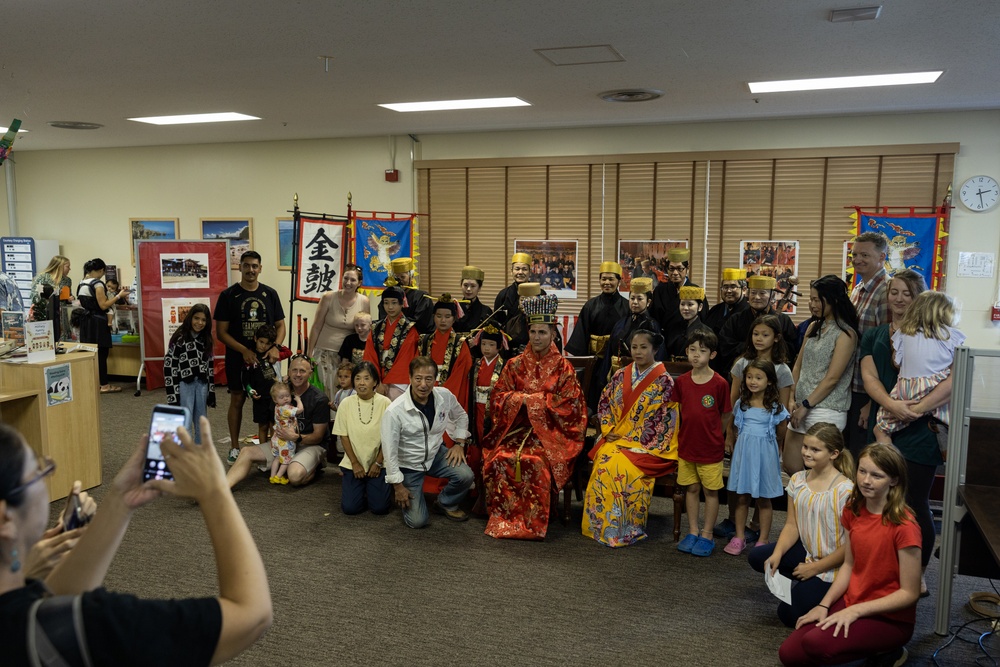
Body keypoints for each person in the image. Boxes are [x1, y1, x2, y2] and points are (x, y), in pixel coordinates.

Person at [0, 421, 272, 666]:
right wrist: (215, 492)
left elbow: (52, 606)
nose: (44, 478)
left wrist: (121, 500)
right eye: (38, 472)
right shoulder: (95, 624)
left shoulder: (34, 619)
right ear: (5, 518)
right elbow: (252, 615)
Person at [778, 444, 921, 667]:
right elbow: (849, 565)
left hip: (889, 617)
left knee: (816, 645)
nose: (866, 480)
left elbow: (910, 593)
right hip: (853, 601)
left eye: (877, 475)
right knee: (789, 654)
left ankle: (888, 651)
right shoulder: (853, 509)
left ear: (893, 480)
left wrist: (856, 611)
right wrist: (824, 605)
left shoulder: (905, 525)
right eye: (862, 471)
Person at [860, 269, 944, 597]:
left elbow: (949, 379)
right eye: (893, 292)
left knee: (914, 502)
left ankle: (917, 573)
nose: (898, 298)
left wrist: (913, 409)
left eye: (906, 293)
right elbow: (870, 377)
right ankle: (883, 567)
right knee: (879, 501)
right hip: (884, 422)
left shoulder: (935, 334)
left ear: (918, 296)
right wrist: (890, 408)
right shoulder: (876, 334)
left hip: (922, 426)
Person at [483, 295, 587, 540]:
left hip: (551, 435)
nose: (537, 337)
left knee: (536, 462)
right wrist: (520, 400)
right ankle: (504, 519)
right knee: (499, 458)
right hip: (516, 429)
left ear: (553, 334)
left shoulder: (564, 368)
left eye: (543, 332)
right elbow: (498, 397)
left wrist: (537, 402)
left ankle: (535, 522)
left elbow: (572, 406)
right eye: (533, 332)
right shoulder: (514, 364)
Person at [748, 423, 855, 628]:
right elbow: (791, 525)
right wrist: (778, 553)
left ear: (833, 454)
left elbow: (852, 547)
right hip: (808, 550)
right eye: (805, 447)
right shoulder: (797, 480)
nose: (806, 453)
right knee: (759, 557)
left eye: (815, 449)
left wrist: (815, 568)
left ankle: (831, 594)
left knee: (787, 614)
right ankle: (807, 584)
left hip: (835, 563)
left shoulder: (846, 491)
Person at [583, 329, 678, 547]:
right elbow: (605, 404)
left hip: (646, 445)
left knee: (620, 468)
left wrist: (632, 438)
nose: (638, 352)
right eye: (634, 347)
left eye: (644, 347)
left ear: (655, 349)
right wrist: (607, 429)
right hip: (616, 438)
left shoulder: (665, 382)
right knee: (604, 464)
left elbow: (664, 419)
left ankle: (625, 528)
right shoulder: (620, 374)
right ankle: (601, 526)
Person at [717, 314, 794, 542]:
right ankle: (734, 521)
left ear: (777, 338)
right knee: (738, 480)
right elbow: (733, 402)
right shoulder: (741, 363)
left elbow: (781, 413)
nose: (759, 339)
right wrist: (729, 433)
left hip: (766, 438)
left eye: (765, 334)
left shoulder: (782, 370)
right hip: (744, 431)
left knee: (763, 486)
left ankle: (758, 526)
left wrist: (778, 441)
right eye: (755, 334)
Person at [380, 356, 474, 528]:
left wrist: (459, 443)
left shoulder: (444, 396)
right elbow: (389, 450)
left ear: (435, 380)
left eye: (429, 379)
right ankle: (401, 493)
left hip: (436, 454)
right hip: (409, 465)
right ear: (409, 378)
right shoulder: (395, 411)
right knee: (417, 521)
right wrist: (398, 486)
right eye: (418, 378)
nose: (423, 384)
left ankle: (445, 502)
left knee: (466, 475)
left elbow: (461, 416)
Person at [214, 251, 286, 462]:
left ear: (260, 268)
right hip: (238, 358)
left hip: (267, 361)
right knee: (237, 399)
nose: (251, 270)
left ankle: (272, 448)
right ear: (240, 268)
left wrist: (276, 348)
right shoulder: (228, 296)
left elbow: (280, 325)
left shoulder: (270, 294)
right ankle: (235, 447)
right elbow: (221, 332)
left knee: (270, 401)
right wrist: (244, 350)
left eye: (255, 266)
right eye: (247, 266)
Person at [784, 275, 859, 474]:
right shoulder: (812, 327)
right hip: (801, 404)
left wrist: (807, 405)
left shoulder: (846, 333)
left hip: (826, 408)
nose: (812, 304)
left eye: (817, 300)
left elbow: (833, 378)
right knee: (791, 466)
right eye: (811, 299)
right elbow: (798, 365)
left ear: (833, 300)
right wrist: (792, 398)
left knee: (819, 471)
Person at [873, 290, 964, 452]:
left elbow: (897, 362)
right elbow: (958, 364)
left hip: (907, 391)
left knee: (881, 428)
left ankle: (887, 454)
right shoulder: (952, 335)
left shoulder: (904, 333)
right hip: (935, 387)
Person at [227, 355, 331, 489]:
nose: (298, 374)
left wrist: (296, 438)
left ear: (310, 373)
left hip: (309, 444)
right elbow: (273, 422)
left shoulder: (319, 399)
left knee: (294, 476)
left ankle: (314, 465)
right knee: (246, 451)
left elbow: (318, 436)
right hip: (284, 443)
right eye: (294, 370)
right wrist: (276, 444)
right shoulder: (280, 392)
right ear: (288, 372)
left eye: (302, 371)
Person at [673, 330, 731, 557]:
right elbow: (678, 411)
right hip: (687, 446)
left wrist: (718, 435)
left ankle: (707, 533)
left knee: (710, 491)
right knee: (692, 488)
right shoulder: (682, 381)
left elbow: (725, 415)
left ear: (713, 354)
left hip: (710, 448)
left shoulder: (720, 383)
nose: (696, 355)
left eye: (702, 351)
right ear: (687, 352)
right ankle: (693, 531)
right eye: (692, 350)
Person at [725, 359, 789, 555]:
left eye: (758, 378)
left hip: (765, 457)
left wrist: (770, 445)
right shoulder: (741, 404)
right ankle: (739, 537)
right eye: (750, 377)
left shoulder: (775, 408)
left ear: (769, 381)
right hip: (745, 457)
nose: (753, 381)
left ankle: (763, 539)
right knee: (742, 497)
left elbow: (782, 430)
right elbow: (736, 426)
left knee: (764, 499)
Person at [846, 232, 890, 459]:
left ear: (882, 257)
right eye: (854, 254)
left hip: (869, 391)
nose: (857, 259)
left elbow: (887, 353)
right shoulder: (858, 288)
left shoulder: (886, 292)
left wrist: (872, 403)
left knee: (862, 456)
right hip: (852, 385)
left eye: (865, 254)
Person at [332, 361, 393, 515]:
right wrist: (355, 463)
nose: (361, 383)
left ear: (375, 382)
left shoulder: (385, 403)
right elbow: (343, 435)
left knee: (380, 509)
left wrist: (378, 463)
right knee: (350, 509)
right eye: (358, 378)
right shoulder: (346, 403)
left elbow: (390, 437)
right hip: (353, 464)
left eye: (366, 378)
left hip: (378, 464)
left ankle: (374, 490)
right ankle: (363, 490)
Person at [307, 263, 370, 398]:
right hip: (324, 352)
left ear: (359, 283)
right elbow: (316, 326)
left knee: (344, 394)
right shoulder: (328, 297)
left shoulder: (364, 301)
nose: (348, 283)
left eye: (353, 280)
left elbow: (366, 330)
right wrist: (309, 354)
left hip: (348, 356)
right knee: (323, 393)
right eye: (345, 278)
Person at [718, 274, 800, 376]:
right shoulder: (736, 319)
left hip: (773, 375)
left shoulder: (783, 320)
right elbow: (725, 345)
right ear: (748, 294)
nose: (757, 297)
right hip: (743, 373)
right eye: (753, 292)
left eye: (762, 293)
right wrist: (750, 348)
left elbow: (792, 348)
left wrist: (772, 350)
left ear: (772, 295)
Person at [467, 325, 508, 514]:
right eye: (484, 344)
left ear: (499, 347)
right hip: (476, 407)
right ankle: (476, 490)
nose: (487, 348)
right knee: (475, 448)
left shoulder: (505, 365)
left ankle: (491, 492)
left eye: (491, 345)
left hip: (494, 412)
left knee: (490, 447)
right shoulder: (475, 364)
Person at [163, 303, 216, 444]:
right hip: (184, 384)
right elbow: (169, 366)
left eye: (203, 320)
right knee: (185, 421)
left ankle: (199, 455)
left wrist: (211, 393)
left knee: (201, 421)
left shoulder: (207, 339)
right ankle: (185, 457)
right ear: (190, 318)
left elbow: (209, 367)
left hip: (202, 385)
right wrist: (173, 395)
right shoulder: (179, 338)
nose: (199, 323)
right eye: (196, 318)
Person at [597, 276, 662, 388]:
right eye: (632, 298)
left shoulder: (652, 325)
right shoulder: (621, 323)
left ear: (648, 301)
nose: (635, 302)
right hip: (617, 375)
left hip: (640, 376)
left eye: (640, 299)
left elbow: (657, 355)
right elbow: (609, 352)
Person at [77, 258, 130, 394]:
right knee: (101, 354)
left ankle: (92, 383)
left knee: (90, 353)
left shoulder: (82, 282)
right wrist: (118, 296)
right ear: (101, 270)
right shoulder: (98, 284)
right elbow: (103, 305)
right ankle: (104, 385)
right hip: (98, 322)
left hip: (86, 322)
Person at [241, 324, 292, 458]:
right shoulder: (251, 358)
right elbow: (245, 380)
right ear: (255, 338)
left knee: (274, 425)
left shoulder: (274, 355)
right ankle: (263, 454)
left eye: (267, 343)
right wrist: (250, 391)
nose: (263, 346)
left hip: (275, 399)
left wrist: (276, 347)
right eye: (261, 342)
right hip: (260, 398)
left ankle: (275, 452)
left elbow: (289, 352)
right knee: (262, 426)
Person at [364, 284, 419, 400]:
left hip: (398, 382)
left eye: (394, 303)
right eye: (386, 302)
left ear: (401, 304)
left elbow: (406, 359)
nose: (390, 307)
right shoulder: (375, 328)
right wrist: (377, 381)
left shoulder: (409, 329)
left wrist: (387, 382)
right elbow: (370, 356)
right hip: (377, 380)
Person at [565, 260, 629, 358]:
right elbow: (581, 335)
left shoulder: (627, 306)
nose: (607, 282)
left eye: (611, 279)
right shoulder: (590, 306)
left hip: (618, 359)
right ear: (599, 281)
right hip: (594, 359)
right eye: (603, 279)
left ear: (619, 282)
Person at [650, 247, 708, 341]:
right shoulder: (660, 290)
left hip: (687, 341)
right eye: (671, 269)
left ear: (687, 269)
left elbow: (703, 321)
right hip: (661, 341)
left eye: (680, 269)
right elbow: (653, 318)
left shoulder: (696, 291)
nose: (675, 273)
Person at [377, 257, 434, 334]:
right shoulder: (388, 296)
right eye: (396, 278)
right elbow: (383, 320)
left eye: (402, 277)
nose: (399, 281)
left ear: (411, 277)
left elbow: (420, 323)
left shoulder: (422, 298)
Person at [268, 382, 303, 484]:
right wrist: (298, 400)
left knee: (277, 458)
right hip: (285, 439)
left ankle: (272, 476)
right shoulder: (286, 408)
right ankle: (278, 477)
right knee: (287, 460)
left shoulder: (277, 407)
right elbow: (300, 410)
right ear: (275, 399)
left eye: (287, 396)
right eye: (281, 397)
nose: (285, 399)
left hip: (276, 438)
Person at [665, 285, 713, 358]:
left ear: (700, 307)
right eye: (682, 304)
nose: (685, 308)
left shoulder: (706, 332)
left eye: (690, 304)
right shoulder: (672, 327)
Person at [493, 252, 539, 321]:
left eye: (524, 269)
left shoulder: (539, 293)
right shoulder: (503, 295)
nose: (520, 272)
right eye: (517, 269)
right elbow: (497, 321)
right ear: (511, 271)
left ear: (530, 272)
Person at [28, 255, 72, 322]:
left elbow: (68, 296)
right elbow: (34, 297)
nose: (69, 269)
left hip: (61, 316)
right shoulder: (42, 278)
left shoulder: (67, 280)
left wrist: (71, 298)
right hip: (43, 314)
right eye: (67, 266)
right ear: (59, 266)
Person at [329, 359, 356, 458]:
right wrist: (333, 407)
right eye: (340, 377)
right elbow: (338, 408)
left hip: (351, 424)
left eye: (346, 377)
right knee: (342, 444)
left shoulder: (355, 393)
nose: (342, 379)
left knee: (352, 444)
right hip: (341, 423)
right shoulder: (339, 393)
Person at [454, 265, 493, 333]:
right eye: (465, 285)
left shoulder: (486, 311)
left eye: (473, 286)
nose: (468, 289)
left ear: (479, 288)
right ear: (461, 285)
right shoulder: (454, 308)